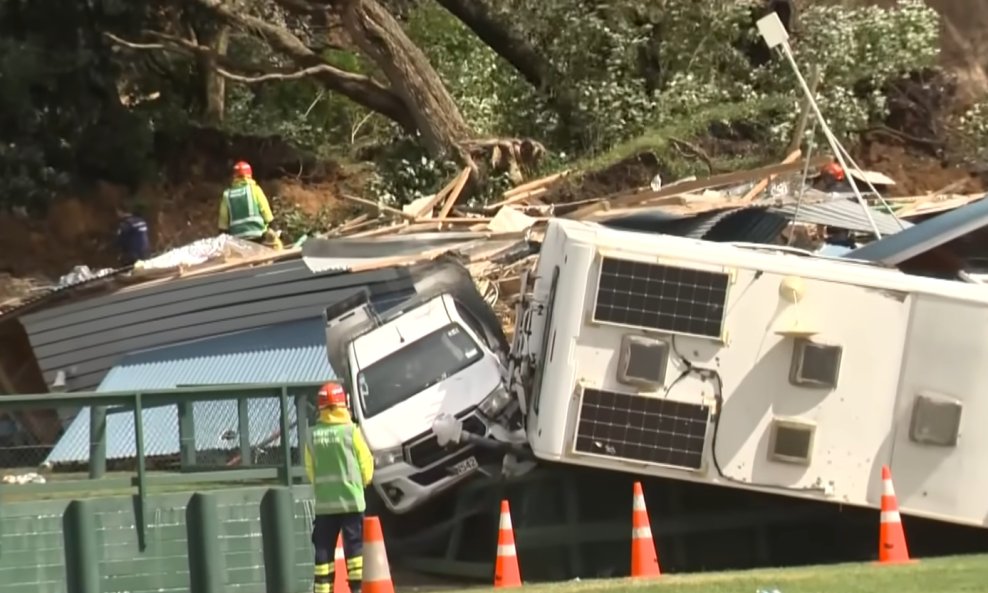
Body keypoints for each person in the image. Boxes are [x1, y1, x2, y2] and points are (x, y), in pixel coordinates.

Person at [304, 381, 374, 593]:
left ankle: (323, 590)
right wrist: (364, 481)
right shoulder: (351, 432)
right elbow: (366, 463)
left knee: (324, 551)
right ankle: (356, 589)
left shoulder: (312, 435)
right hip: (352, 502)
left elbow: (310, 469)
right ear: (343, 404)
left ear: (321, 407)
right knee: (355, 552)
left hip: (325, 505)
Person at [217, 160, 274, 242]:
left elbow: (223, 219)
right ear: (249, 175)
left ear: (234, 177)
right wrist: (272, 225)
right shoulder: (254, 189)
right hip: (258, 234)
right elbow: (265, 210)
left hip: (237, 237)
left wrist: (222, 233)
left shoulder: (227, 195)